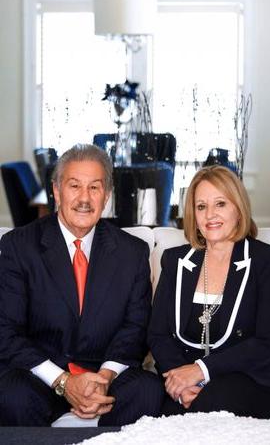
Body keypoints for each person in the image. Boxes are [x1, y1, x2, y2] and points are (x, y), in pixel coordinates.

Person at [0, 144, 163, 426]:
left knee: (148, 391)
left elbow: (135, 328)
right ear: (56, 191)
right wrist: (63, 381)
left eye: (95, 188)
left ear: (107, 195)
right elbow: (6, 330)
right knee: (11, 395)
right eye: (74, 186)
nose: (84, 198)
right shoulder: (18, 246)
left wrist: (104, 377)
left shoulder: (133, 252)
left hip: (104, 376)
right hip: (40, 374)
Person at [148, 165, 270, 418]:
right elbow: (158, 334)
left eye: (220, 204)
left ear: (238, 209)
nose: (210, 215)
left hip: (252, 376)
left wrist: (200, 371)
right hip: (187, 376)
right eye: (201, 206)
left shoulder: (264, 260)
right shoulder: (175, 261)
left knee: (210, 404)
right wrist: (180, 380)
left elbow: (269, 341)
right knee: (158, 405)